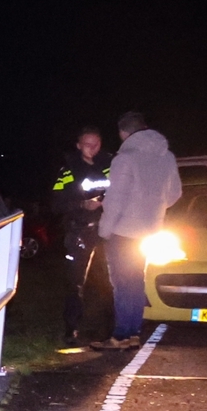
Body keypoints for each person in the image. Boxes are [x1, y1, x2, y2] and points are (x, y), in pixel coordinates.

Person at [95, 111, 181, 349]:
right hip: (151, 229)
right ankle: (133, 333)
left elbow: (115, 200)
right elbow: (175, 194)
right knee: (137, 281)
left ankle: (120, 335)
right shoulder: (167, 156)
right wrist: (153, 209)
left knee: (122, 284)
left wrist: (104, 231)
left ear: (123, 132)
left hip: (123, 231)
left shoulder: (125, 158)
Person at [50, 127, 111, 338]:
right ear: (78, 145)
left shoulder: (109, 167)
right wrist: (83, 204)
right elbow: (57, 203)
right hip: (80, 231)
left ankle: (108, 328)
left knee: (109, 280)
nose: (92, 148)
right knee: (76, 282)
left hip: (107, 231)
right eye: (87, 144)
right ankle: (71, 329)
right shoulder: (68, 170)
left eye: (96, 144)